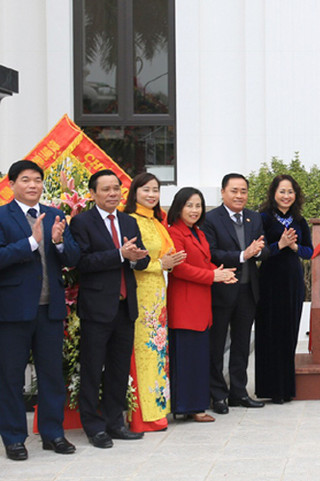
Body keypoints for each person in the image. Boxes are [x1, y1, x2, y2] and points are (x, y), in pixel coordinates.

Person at [0, 160, 80, 460]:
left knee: (51, 375)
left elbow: (73, 258)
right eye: (25, 179)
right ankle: (13, 438)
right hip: (13, 311)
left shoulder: (54, 215)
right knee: (10, 377)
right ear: (11, 184)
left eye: (37, 179)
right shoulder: (2, 216)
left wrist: (58, 242)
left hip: (50, 309)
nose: (33, 185)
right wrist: (32, 242)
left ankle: (53, 433)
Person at [69, 169, 150, 448]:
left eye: (116, 188)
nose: (113, 193)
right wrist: (119, 255)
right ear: (93, 193)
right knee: (92, 369)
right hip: (97, 308)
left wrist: (137, 258)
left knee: (118, 369)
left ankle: (115, 422)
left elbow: (140, 260)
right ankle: (94, 427)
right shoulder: (82, 222)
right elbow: (81, 262)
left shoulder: (129, 221)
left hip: (125, 307)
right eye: (106, 189)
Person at [123, 173, 186, 432]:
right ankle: (141, 416)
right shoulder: (129, 220)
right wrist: (161, 264)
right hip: (139, 293)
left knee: (158, 352)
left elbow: (166, 256)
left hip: (158, 293)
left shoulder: (156, 220)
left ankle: (158, 411)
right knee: (142, 352)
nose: (151, 195)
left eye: (155, 190)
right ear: (135, 192)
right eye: (146, 190)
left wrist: (168, 263)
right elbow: (132, 260)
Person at [167, 188, 237, 422]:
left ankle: (195, 405)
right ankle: (189, 407)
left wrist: (220, 273)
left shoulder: (198, 232)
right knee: (187, 357)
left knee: (198, 357)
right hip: (185, 303)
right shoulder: (174, 233)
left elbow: (204, 262)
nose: (194, 210)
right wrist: (212, 276)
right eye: (189, 205)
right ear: (179, 207)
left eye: (198, 206)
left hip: (201, 303)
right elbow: (179, 268)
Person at [201, 173, 268, 413]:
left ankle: (239, 393)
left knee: (241, 344)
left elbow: (264, 250)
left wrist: (257, 252)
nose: (239, 195)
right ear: (223, 192)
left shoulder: (254, 218)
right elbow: (211, 253)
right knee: (217, 345)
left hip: (248, 291)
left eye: (243, 191)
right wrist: (243, 255)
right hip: (221, 291)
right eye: (234, 191)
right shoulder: (210, 219)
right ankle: (217, 395)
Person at [256, 175, 314, 404]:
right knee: (270, 332)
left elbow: (309, 252)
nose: (286, 196)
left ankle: (286, 389)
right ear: (273, 193)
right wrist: (279, 245)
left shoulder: (299, 220)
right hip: (269, 281)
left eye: (290, 192)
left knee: (288, 333)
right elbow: (258, 252)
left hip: (292, 281)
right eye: (282, 191)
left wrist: (294, 246)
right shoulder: (262, 218)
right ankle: (270, 389)